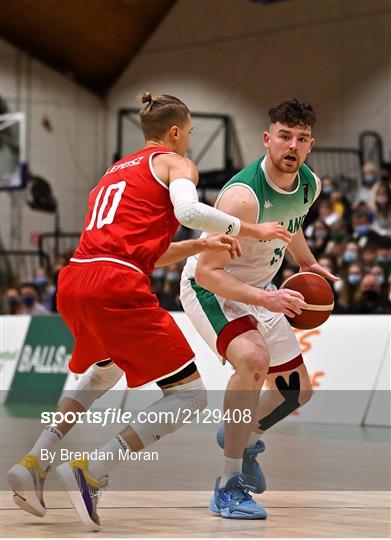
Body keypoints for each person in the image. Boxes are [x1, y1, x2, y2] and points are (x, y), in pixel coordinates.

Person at [7, 92, 288, 531]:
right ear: (175, 132)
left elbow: (141, 254)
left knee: (104, 368)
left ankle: (35, 459)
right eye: (190, 133)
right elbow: (190, 210)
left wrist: (197, 246)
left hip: (77, 278)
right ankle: (93, 469)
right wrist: (253, 229)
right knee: (190, 396)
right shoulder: (175, 162)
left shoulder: (115, 172)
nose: (190, 141)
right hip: (115, 287)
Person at [180, 99, 338, 519]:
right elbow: (210, 273)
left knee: (295, 392)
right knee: (251, 359)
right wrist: (267, 299)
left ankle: (243, 438)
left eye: (301, 139)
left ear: (310, 145)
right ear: (268, 139)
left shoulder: (309, 184)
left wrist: (305, 262)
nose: (292, 145)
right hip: (211, 288)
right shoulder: (242, 197)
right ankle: (229, 484)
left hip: (258, 287)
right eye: (284, 136)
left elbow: (293, 223)